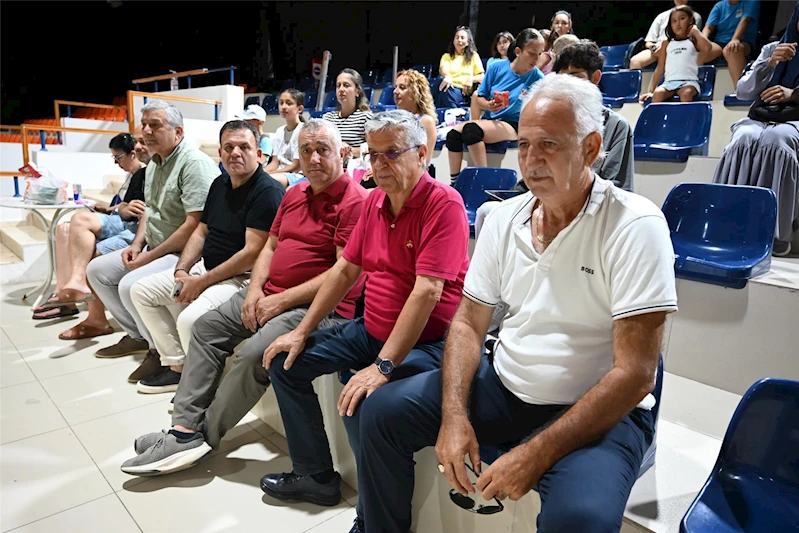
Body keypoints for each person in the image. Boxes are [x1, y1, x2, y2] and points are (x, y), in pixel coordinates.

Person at [356, 74, 678, 533]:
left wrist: (534, 453)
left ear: (591, 148)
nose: (531, 159)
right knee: (381, 414)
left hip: (599, 415)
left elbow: (635, 374)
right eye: (524, 144)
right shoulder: (504, 218)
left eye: (549, 144)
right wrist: (453, 415)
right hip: (506, 386)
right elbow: (468, 323)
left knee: (580, 519)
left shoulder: (635, 225)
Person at [258, 110, 470, 533]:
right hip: (370, 329)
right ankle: (316, 474)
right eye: (373, 155)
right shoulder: (373, 200)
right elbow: (344, 272)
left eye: (391, 153)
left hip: (427, 343)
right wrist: (300, 332)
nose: (378, 165)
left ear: (422, 153)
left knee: (364, 405)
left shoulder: (444, 204)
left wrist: (383, 366)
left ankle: (377, 523)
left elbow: (426, 292)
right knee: (285, 364)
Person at [121, 119, 367, 476]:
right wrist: (255, 290)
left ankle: (199, 436)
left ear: (342, 153)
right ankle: (183, 427)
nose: (313, 159)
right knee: (206, 328)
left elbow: (341, 274)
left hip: (317, 307)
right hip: (268, 292)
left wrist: (278, 301)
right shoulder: (295, 194)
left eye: (323, 150)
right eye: (306, 151)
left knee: (256, 354)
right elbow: (270, 245)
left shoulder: (354, 201)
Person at [127, 120, 284, 393]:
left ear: (259, 154)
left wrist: (201, 282)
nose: (236, 153)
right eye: (229, 147)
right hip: (206, 268)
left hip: (240, 280)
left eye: (244, 147)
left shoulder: (267, 191)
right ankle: (178, 367)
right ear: (220, 154)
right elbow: (201, 230)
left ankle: (202, 390)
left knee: (190, 320)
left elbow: (252, 254)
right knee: (141, 291)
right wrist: (182, 270)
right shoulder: (220, 183)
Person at [86, 100, 219, 376]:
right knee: (96, 270)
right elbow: (150, 210)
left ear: (178, 132)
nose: (146, 131)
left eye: (155, 125)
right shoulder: (155, 163)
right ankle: (138, 336)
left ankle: (162, 353)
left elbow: (195, 225)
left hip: (186, 253)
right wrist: (137, 245)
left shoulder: (194, 164)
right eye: (144, 125)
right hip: (154, 246)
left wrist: (149, 256)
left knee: (128, 285)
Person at [476, 39, 635, 244]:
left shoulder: (617, 126)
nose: (566, 85)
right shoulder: (549, 120)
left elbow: (617, 186)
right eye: (562, 77)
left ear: (595, 78)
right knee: (488, 211)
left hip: (588, 210)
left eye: (575, 76)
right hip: (544, 202)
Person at [34, 131, 148, 329]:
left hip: (132, 226)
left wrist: (120, 209)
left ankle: (82, 301)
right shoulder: (134, 176)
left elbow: (139, 209)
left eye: (118, 157)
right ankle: (65, 290)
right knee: (64, 228)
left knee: (83, 231)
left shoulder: (146, 173)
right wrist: (114, 208)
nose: (138, 147)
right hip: (124, 220)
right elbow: (128, 206)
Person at [713, 3, 799, 257]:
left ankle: (773, 232)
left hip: (793, 121)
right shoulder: (773, 49)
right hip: (762, 116)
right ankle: (728, 222)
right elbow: (744, 91)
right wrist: (770, 64)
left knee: (778, 139)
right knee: (744, 136)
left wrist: (792, 94)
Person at [446, 28, 545, 182]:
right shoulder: (497, 67)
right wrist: (488, 105)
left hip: (514, 124)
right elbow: (478, 97)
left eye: (540, 54)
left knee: (471, 131)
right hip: (490, 119)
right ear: (518, 51)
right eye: (532, 53)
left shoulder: (538, 78)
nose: (536, 59)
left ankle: (483, 180)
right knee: (452, 135)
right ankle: (454, 182)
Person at [361, 70, 438, 190]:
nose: (395, 91)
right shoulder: (391, 120)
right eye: (396, 87)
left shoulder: (426, 121)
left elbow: (423, 162)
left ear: (416, 92)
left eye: (402, 88)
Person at [640, 5, 716, 103]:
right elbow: (660, 68)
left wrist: (696, 31)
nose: (678, 24)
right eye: (674, 21)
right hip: (668, 83)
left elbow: (708, 48)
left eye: (682, 19)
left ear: (690, 20)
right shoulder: (666, 43)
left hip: (689, 82)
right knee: (658, 94)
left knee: (686, 93)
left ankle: (686, 118)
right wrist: (651, 91)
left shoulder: (694, 41)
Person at [630, 0, 705, 70]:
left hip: (680, 47)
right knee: (635, 61)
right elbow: (648, 41)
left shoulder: (695, 16)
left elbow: (692, 38)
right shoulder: (661, 16)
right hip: (659, 48)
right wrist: (654, 48)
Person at [703, 0, 761, 85]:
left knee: (732, 50)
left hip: (743, 41)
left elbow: (745, 20)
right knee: (700, 52)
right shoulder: (719, 5)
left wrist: (735, 39)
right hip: (720, 42)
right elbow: (708, 27)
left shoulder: (751, 1)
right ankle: (694, 89)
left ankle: (740, 91)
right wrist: (702, 41)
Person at [322, 69, 373, 160]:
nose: (341, 89)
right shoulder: (327, 118)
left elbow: (373, 149)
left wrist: (349, 150)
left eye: (346, 85)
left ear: (357, 91)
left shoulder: (366, 118)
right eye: (338, 86)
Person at [434, 26, 485, 109]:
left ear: (468, 42)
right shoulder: (447, 56)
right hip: (446, 86)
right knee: (441, 84)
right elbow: (443, 68)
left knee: (445, 92)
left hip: (461, 91)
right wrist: (447, 77)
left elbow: (482, 76)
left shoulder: (473, 56)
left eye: (462, 38)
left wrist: (471, 79)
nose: (459, 40)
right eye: (457, 37)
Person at [265, 88, 307, 189]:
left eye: (288, 103)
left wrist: (269, 174)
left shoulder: (303, 130)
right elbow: (275, 162)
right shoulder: (279, 131)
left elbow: (296, 166)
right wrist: (261, 172)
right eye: (281, 103)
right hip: (280, 172)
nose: (283, 107)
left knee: (266, 182)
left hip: (296, 175)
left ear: (299, 109)